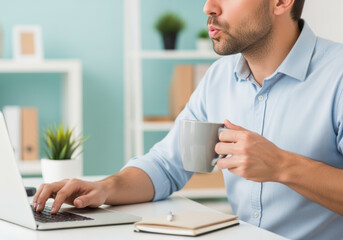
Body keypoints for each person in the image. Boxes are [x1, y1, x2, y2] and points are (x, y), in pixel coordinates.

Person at [33, 0, 343, 239]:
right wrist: (103, 188)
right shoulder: (219, 77)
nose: (208, 7)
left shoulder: (337, 75)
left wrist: (282, 166)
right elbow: (166, 165)